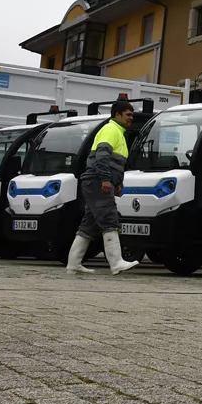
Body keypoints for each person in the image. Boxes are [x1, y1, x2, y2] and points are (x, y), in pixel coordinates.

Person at [65, 98, 139, 276]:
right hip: (98, 181)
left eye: (132, 115)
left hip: (96, 181)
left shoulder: (116, 132)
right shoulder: (111, 130)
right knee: (109, 217)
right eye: (128, 115)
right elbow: (102, 157)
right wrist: (106, 180)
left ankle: (73, 264)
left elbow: (113, 162)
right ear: (117, 115)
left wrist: (116, 182)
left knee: (89, 225)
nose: (131, 118)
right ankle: (116, 263)